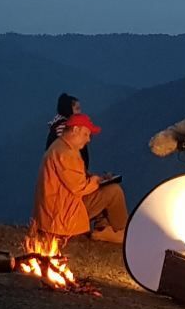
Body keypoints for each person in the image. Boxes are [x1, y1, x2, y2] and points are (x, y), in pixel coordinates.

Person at [30, 113, 127, 246]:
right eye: (86, 134)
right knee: (114, 191)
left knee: (105, 188)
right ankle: (121, 231)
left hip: (56, 210)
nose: (88, 140)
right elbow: (79, 188)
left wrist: (96, 179)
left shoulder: (60, 147)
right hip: (61, 216)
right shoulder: (66, 153)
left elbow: (74, 178)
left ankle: (103, 229)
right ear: (75, 130)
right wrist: (97, 181)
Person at [44, 93, 89, 168]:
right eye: (77, 109)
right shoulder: (64, 130)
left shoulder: (56, 126)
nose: (80, 112)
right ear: (68, 110)